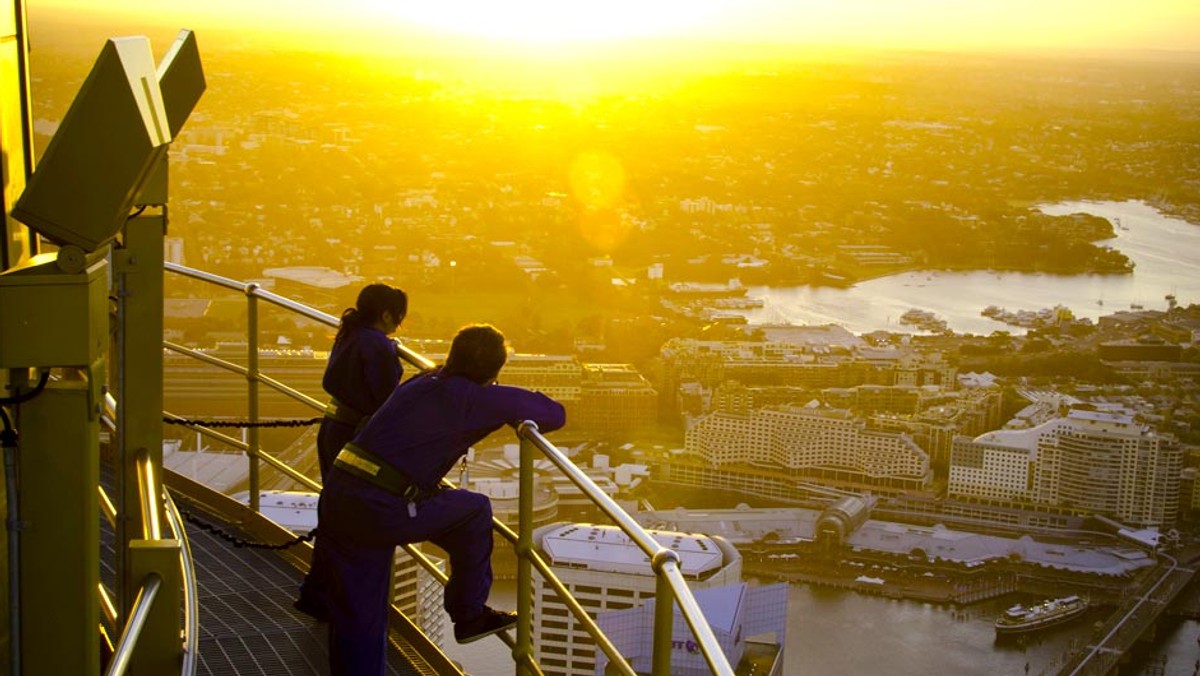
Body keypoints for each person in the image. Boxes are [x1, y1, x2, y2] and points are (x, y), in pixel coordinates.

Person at [319, 324, 565, 676]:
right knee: (475, 511)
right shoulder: (473, 398)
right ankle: (469, 614)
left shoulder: (422, 381)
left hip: (342, 491)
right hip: (379, 508)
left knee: (356, 613)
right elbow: (554, 414)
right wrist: (504, 398)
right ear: (494, 372)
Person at [294, 283, 409, 621]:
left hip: (334, 427)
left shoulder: (351, 335)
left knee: (334, 515)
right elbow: (385, 400)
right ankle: (339, 598)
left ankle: (319, 592)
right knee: (353, 521)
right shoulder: (376, 346)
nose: (399, 324)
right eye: (399, 317)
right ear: (387, 314)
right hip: (357, 438)